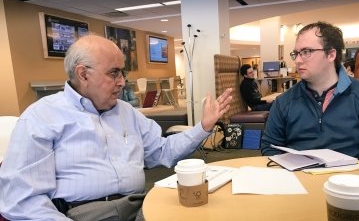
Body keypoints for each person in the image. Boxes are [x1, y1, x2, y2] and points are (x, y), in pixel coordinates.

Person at [0, 35, 233, 220]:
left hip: (139, 205)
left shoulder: (126, 111)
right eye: (114, 73)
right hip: (82, 214)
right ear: (83, 74)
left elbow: (163, 151)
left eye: (123, 73)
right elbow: (22, 200)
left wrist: (203, 126)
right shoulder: (41, 117)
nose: (122, 81)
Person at [260, 21, 359, 160]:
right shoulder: (284, 102)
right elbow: (270, 147)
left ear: (331, 54)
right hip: (298, 177)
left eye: (306, 52)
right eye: (296, 53)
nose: (298, 60)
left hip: (351, 178)